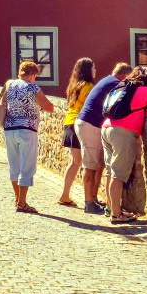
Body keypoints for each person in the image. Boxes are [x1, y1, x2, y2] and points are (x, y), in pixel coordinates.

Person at [102, 65, 147, 223]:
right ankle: (116, 215)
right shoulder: (146, 91)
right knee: (118, 175)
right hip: (123, 132)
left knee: (111, 172)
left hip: (106, 128)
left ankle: (110, 208)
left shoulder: (122, 86)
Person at [0, 59, 56, 213]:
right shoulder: (32, 87)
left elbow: (3, 104)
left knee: (14, 166)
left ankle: (18, 199)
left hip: (9, 129)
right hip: (27, 130)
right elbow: (48, 106)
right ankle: (22, 203)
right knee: (27, 167)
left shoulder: (10, 85)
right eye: (35, 76)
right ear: (32, 75)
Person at [73, 61, 128, 215]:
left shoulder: (107, 80)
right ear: (124, 76)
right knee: (89, 165)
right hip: (90, 124)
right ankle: (89, 203)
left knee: (96, 164)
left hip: (87, 123)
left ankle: (93, 199)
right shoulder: (116, 84)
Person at [55, 58, 97, 208]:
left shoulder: (73, 86)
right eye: (93, 68)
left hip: (69, 122)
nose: (95, 70)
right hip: (78, 124)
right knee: (83, 162)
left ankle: (65, 195)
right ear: (88, 70)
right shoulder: (89, 87)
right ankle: (90, 197)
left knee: (75, 162)